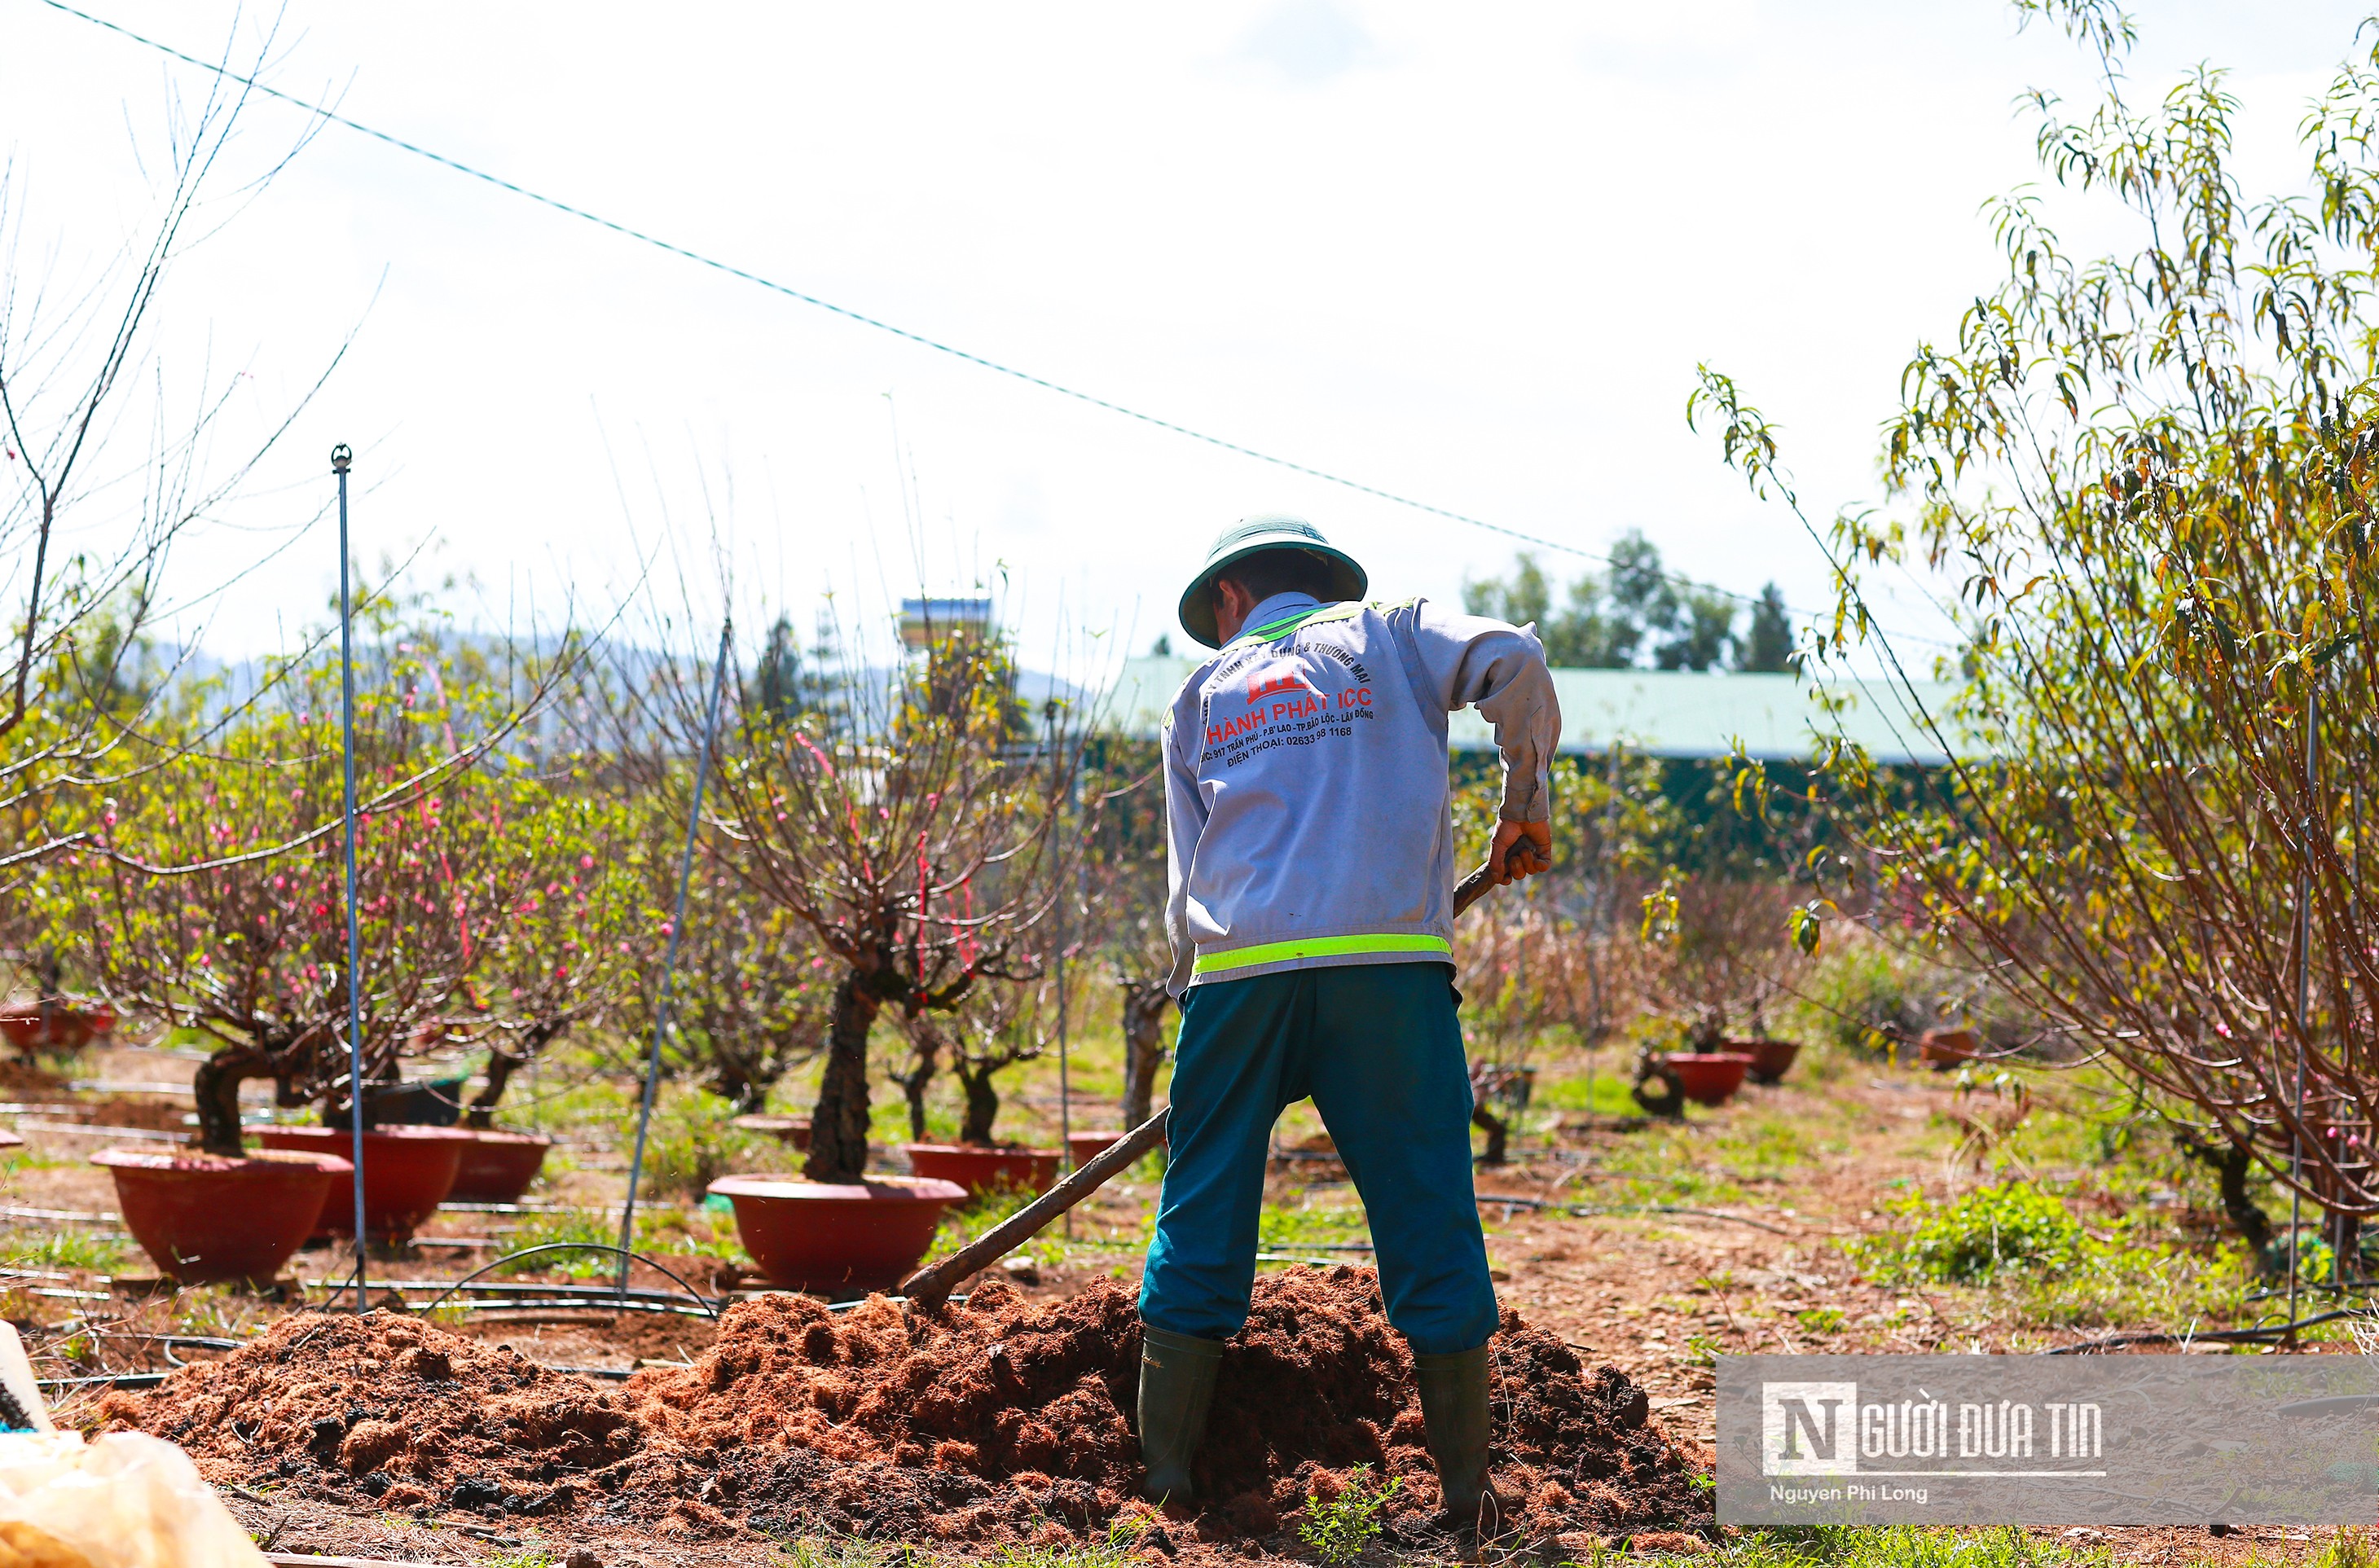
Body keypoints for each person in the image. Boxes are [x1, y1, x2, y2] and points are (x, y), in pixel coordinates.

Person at [1138, 514, 1559, 1530]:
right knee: (1427, 1211)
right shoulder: (1394, 633)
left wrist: (1206, 1022)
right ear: (1318, 580)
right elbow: (1517, 659)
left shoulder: (1198, 696)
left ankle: (1163, 1491)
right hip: (1388, 973)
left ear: (1232, 596)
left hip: (1239, 976)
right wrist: (1524, 799)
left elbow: (1182, 889)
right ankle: (1465, 1496)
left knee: (1201, 1208)